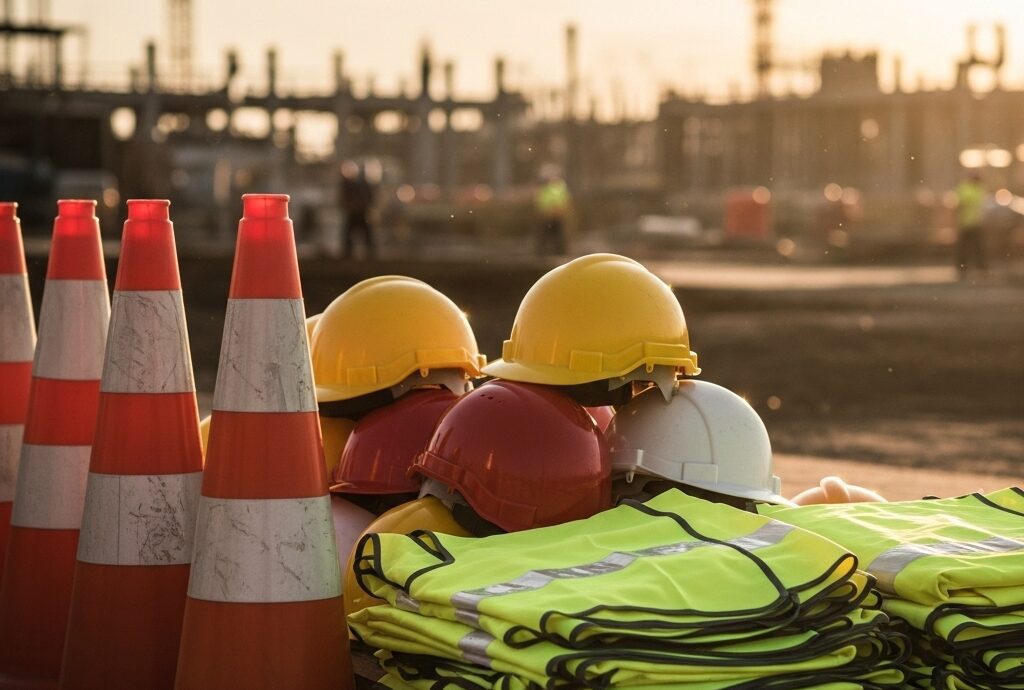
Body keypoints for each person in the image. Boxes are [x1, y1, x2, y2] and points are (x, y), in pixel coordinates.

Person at [339, 160, 376, 259]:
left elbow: (369, 197)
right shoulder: (347, 184)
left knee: (365, 233)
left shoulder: (361, 184)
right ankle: (348, 253)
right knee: (350, 233)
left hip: (360, 212)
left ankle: (370, 253)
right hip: (355, 212)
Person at [954, 172, 987, 278]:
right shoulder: (969, 189)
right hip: (967, 222)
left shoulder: (970, 188)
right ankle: (969, 266)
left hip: (971, 222)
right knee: (970, 246)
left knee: (973, 246)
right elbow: (961, 204)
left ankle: (967, 266)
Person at [534, 171, 571, 255]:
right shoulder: (545, 189)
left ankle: (560, 253)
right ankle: (543, 253)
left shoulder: (559, 187)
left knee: (557, 235)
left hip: (555, 215)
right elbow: (541, 201)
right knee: (547, 235)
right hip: (548, 215)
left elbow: (564, 200)